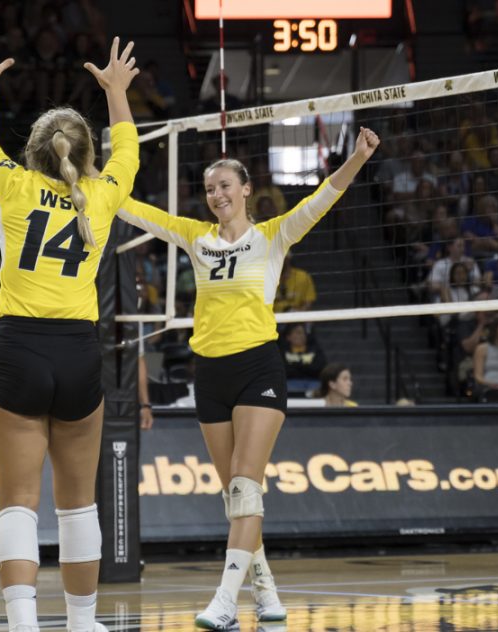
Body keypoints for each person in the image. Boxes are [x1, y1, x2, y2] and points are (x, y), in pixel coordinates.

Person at [116, 127, 380, 628]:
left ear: (244, 190)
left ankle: (224, 601)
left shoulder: (273, 234)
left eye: (224, 186)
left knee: (245, 486)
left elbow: (324, 197)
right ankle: (266, 588)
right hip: (209, 372)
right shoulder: (196, 238)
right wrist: (92, 184)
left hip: (258, 365)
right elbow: (138, 213)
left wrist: (358, 158)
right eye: (209, 188)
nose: (215, 195)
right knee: (235, 497)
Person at [0, 32, 139, 632]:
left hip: (20, 350)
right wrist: (116, 94)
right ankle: (83, 623)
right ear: (87, 155)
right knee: (79, 503)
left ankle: (24, 624)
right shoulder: (103, 196)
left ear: (33, 152)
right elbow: (128, 155)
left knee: (18, 504)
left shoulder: (14, 185)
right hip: (80, 353)